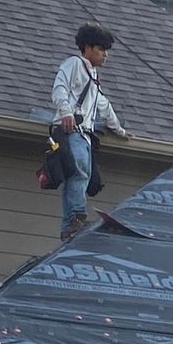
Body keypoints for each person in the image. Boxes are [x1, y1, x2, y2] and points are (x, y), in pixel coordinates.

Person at [50, 23, 130, 236]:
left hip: (84, 135)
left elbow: (103, 105)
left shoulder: (93, 77)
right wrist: (66, 112)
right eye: (101, 49)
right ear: (87, 48)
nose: (105, 55)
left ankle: (73, 222)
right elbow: (60, 88)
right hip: (71, 131)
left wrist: (119, 130)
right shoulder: (74, 64)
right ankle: (74, 219)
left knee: (83, 175)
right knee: (78, 171)